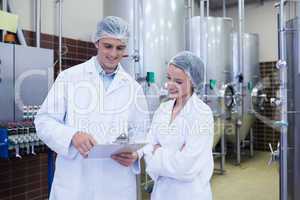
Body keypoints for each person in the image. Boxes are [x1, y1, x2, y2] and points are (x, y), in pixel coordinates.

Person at [34, 16, 150, 200]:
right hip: (76, 181)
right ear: (97, 43)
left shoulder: (132, 87)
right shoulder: (70, 77)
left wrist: (136, 154)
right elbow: (44, 121)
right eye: (108, 46)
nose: (113, 54)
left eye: (120, 48)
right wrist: (72, 136)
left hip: (116, 183)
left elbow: (142, 131)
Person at [143, 51, 214, 200]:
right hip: (161, 192)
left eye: (179, 81)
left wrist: (158, 151)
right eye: (168, 78)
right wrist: (171, 154)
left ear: (193, 82)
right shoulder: (163, 109)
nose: (170, 85)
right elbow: (147, 147)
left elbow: (186, 168)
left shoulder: (201, 113)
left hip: (189, 194)